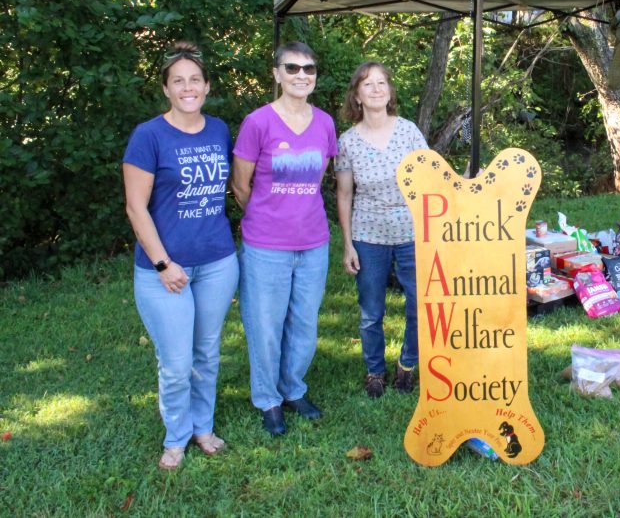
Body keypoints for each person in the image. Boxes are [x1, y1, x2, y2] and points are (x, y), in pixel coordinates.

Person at [123, 41, 238, 471]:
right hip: (164, 269)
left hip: (218, 262)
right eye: (178, 81)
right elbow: (136, 207)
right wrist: (163, 264)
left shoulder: (220, 130)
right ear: (167, 90)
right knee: (175, 362)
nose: (187, 87)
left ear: (206, 86)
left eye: (195, 79)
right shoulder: (148, 136)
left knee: (206, 353)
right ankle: (176, 437)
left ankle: (202, 428)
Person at [232, 41, 338, 436]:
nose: (301, 75)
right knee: (264, 324)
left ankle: (293, 389)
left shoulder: (325, 123)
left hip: (313, 242)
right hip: (265, 245)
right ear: (276, 73)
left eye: (308, 69)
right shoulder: (257, 122)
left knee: (304, 324)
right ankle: (268, 399)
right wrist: (267, 216)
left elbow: (318, 180)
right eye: (291, 68)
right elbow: (241, 185)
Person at [336, 61, 427, 398]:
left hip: (412, 232)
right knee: (371, 311)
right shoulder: (347, 142)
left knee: (419, 304)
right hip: (368, 235)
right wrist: (348, 244)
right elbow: (344, 194)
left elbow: (430, 178)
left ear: (389, 91)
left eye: (381, 83)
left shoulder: (408, 131)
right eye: (367, 84)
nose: (376, 89)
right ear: (357, 95)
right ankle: (375, 371)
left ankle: (407, 364)